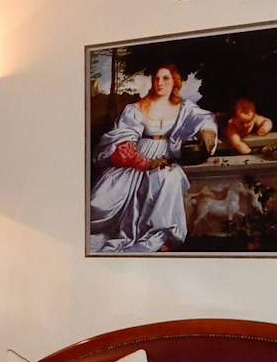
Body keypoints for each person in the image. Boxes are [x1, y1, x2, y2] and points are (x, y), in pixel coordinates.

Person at [89, 65, 218, 253]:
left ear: (174, 81)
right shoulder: (137, 108)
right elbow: (123, 139)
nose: (160, 83)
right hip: (138, 157)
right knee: (108, 196)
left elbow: (204, 118)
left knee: (169, 177)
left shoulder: (184, 108)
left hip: (165, 158)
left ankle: (161, 234)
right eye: (157, 78)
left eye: (165, 78)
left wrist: (208, 132)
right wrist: (145, 163)